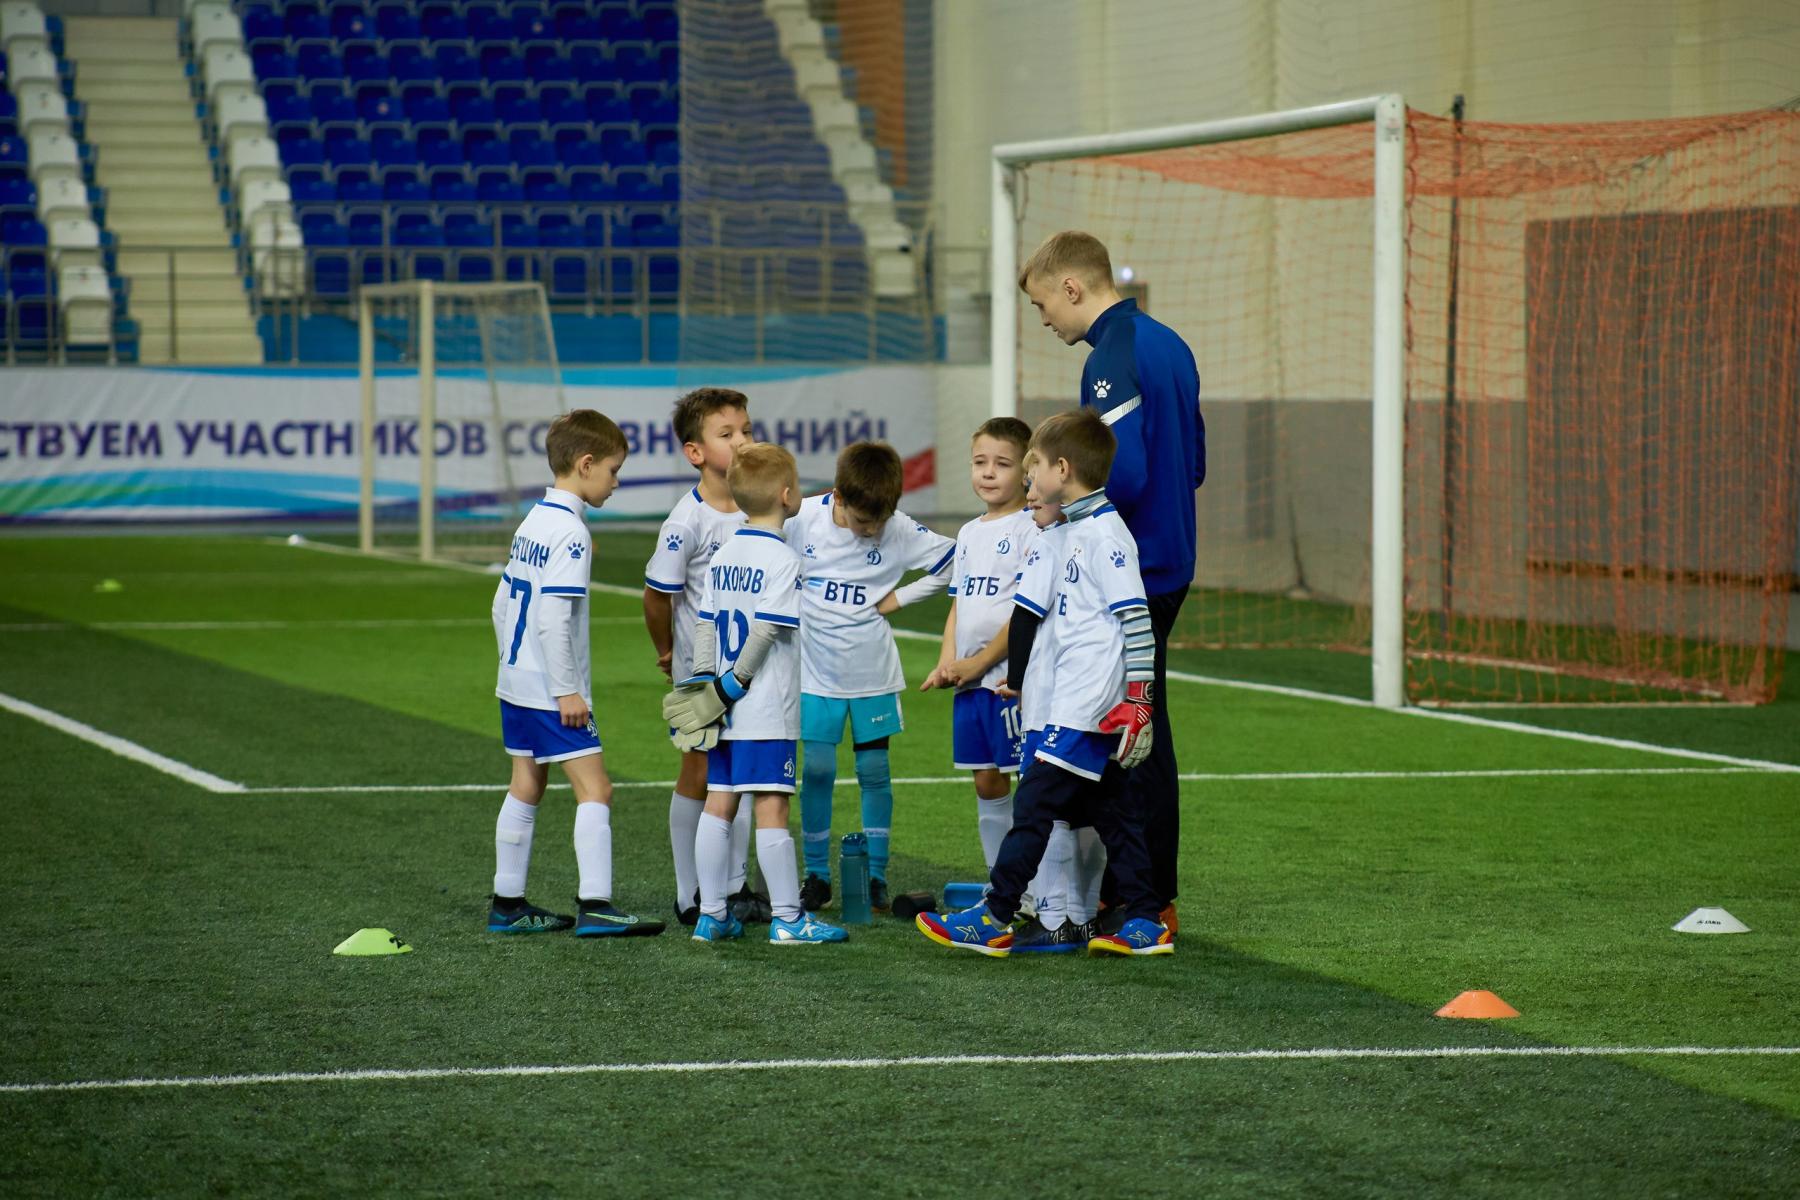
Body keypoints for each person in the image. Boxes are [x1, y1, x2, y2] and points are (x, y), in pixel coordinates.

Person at [915, 409, 1170, 958]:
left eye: (1031, 470)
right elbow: (1028, 616)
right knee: (1113, 810)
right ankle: (1147, 919)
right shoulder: (1059, 532)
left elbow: (1136, 619)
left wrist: (1140, 698)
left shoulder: (1107, 534)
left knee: (1032, 806)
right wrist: (1023, 681)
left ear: (1062, 468)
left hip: (1088, 701)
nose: (1027, 482)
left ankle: (996, 912)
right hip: (1055, 703)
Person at [1018, 230, 1205, 928]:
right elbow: (1195, 464)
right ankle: (1140, 891)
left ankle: (1141, 898)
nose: (1045, 321)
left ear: (1073, 288)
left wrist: (1062, 520)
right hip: (1171, 556)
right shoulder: (1170, 344)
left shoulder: (1110, 355)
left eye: (1043, 306)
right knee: (1138, 718)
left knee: (1131, 726)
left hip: (1131, 568)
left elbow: (1119, 474)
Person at [661, 443, 849, 946]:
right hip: (763, 709)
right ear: (788, 496)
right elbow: (765, 631)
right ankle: (789, 918)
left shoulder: (725, 554)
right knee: (771, 807)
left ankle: (711, 913)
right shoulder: (782, 559)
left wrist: (706, 682)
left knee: (718, 804)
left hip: (721, 713)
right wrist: (734, 683)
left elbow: (704, 621)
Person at [487, 409, 664, 938]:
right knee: (598, 789)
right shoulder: (571, 534)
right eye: (613, 470)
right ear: (585, 465)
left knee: (526, 783)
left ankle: (508, 902)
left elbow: (501, 604)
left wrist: (510, 664)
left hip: (516, 681)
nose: (616, 481)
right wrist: (566, 690)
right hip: (549, 689)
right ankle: (597, 905)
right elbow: (551, 618)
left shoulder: (534, 519)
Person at [788, 441, 955, 914]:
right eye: (864, 523)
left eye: (879, 524)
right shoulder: (802, 518)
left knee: (874, 772)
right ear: (838, 498)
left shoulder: (897, 529)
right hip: (815, 674)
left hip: (873, 675)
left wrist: (900, 599)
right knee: (817, 770)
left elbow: (956, 561)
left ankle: (876, 875)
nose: (871, 532)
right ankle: (816, 875)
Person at [642, 388, 765, 927]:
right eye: (727, 433)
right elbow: (656, 594)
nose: (743, 440)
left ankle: (734, 886)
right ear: (695, 453)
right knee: (700, 768)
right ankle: (689, 892)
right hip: (704, 673)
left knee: (740, 772)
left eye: (746, 429)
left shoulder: (762, 507)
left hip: (755, 671)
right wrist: (668, 651)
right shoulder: (685, 522)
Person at [918, 417, 1038, 874]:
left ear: (1026, 471)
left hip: (1008, 682)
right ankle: (1000, 884)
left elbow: (1025, 612)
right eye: (979, 462)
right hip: (971, 684)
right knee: (986, 782)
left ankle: (1036, 893)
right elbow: (959, 607)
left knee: (1027, 785)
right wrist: (947, 663)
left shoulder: (1031, 527)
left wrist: (982, 663)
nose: (987, 472)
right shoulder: (968, 533)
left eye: (1002, 463)